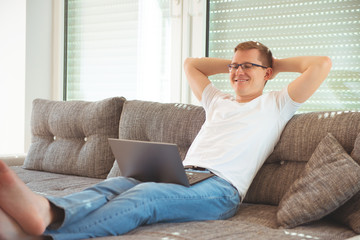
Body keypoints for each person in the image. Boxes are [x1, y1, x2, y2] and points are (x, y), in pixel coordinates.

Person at [0, 41, 332, 240]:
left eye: (248, 67)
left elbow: (321, 64)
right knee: (113, 186)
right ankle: (45, 209)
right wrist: (243, 61)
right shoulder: (218, 100)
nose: (237, 72)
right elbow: (191, 64)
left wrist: (268, 62)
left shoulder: (277, 103)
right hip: (184, 173)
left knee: (147, 195)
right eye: (233, 66)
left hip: (221, 189)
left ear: (269, 73)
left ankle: (45, 231)